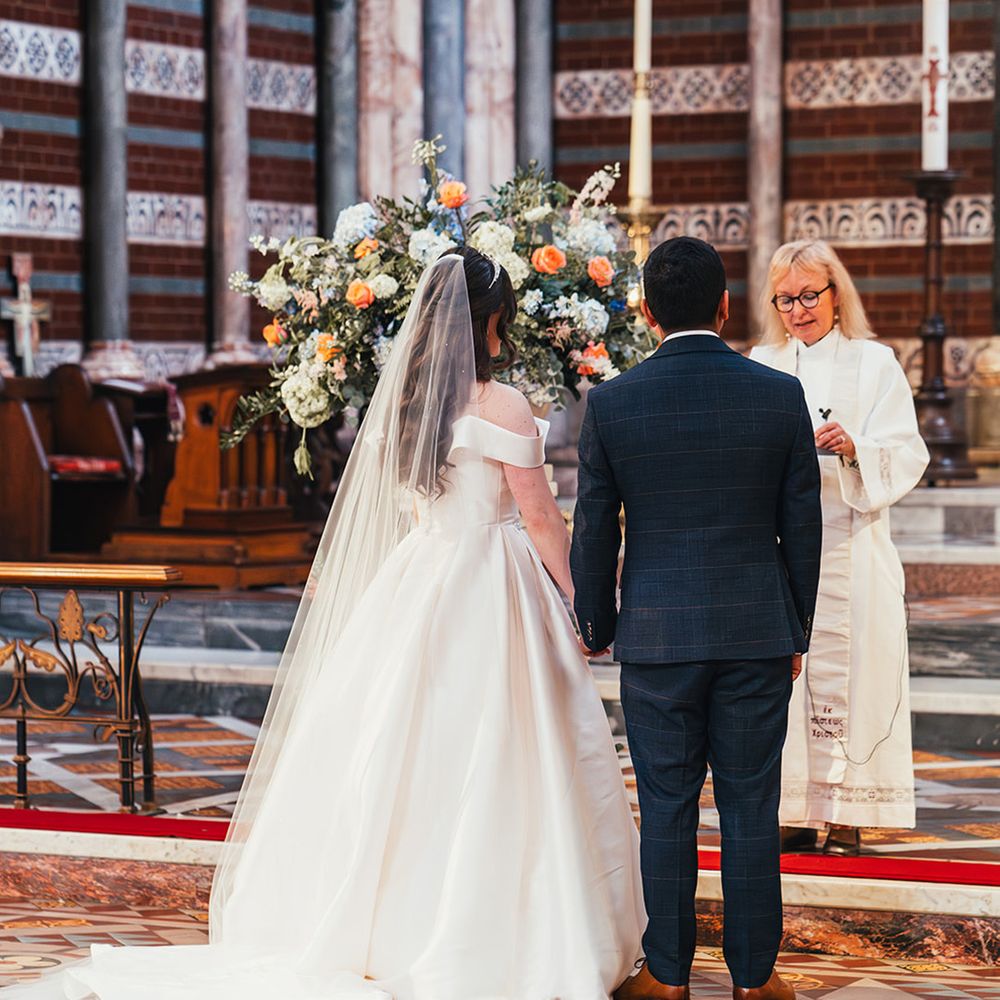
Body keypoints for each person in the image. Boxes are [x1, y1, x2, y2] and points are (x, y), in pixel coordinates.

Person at [8, 249, 645, 999]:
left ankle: (384, 921)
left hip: (423, 579)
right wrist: (584, 601)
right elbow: (539, 518)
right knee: (501, 747)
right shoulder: (498, 403)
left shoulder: (410, 401)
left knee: (400, 755)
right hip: (492, 583)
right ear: (490, 320)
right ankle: (501, 928)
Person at [572, 236, 823, 1000]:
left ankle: (669, 978)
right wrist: (796, 631)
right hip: (756, 633)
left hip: (657, 636)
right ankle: (755, 979)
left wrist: (600, 625)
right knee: (752, 806)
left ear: (646, 314)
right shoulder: (778, 395)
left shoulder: (612, 403)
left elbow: (594, 528)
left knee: (669, 808)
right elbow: (802, 527)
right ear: (726, 306)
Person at [750, 239, 929, 856]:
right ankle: (795, 807)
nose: (798, 310)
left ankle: (850, 809)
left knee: (861, 674)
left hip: (856, 544)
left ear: (835, 294)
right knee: (787, 683)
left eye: (809, 295)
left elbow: (907, 450)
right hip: (783, 553)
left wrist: (855, 447)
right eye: (785, 298)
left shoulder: (875, 362)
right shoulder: (763, 362)